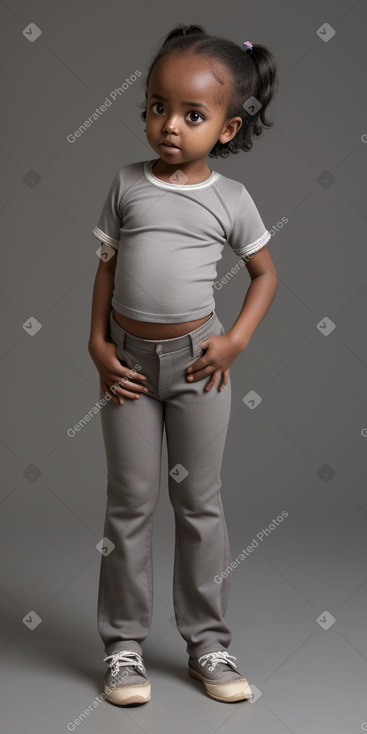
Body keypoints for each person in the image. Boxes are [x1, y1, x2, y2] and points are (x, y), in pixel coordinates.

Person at [88, 23, 279, 706]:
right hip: (129, 370)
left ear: (226, 129)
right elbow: (106, 271)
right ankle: (123, 648)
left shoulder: (229, 200)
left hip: (200, 368)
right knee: (129, 506)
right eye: (156, 106)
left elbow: (263, 275)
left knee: (199, 504)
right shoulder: (126, 184)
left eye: (192, 115)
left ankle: (208, 643)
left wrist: (235, 343)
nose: (169, 125)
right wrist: (98, 346)